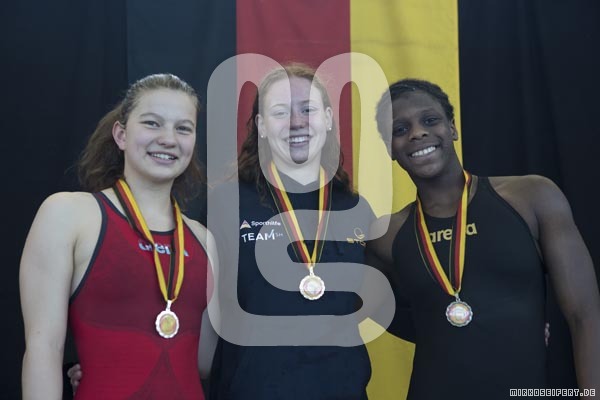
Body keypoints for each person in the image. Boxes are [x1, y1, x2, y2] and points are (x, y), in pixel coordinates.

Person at [367, 78, 600, 399]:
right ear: (389, 149)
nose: (417, 133)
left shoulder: (531, 197)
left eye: (430, 120)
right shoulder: (385, 234)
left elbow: (585, 314)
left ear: (452, 128)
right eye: (400, 129)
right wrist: (452, 330)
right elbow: (372, 307)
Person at [20, 73, 218, 399]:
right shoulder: (69, 215)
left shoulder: (203, 239)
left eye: (183, 128)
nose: (168, 139)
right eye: (152, 123)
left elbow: (205, 363)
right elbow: (44, 348)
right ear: (121, 135)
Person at [206, 63, 376, 399]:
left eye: (307, 109)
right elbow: (196, 307)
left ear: (328, 118)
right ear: (261, 126)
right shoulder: (226, 204)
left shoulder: (355, 208)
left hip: (341, 390)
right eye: (280, 112)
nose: (297, 122)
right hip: (251, 390)